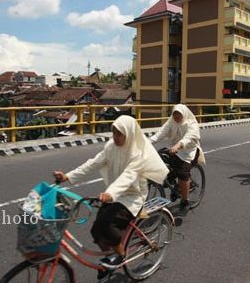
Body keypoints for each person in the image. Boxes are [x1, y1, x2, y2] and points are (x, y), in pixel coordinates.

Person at [53, 115, 168, 279]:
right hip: (114, 195)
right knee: (96, 230)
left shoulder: (138, 153)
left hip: (132, 196)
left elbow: (128, 176)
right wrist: (67, 177)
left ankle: (120, 256)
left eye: (119, 134)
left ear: (128, 134)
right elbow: (93, 163)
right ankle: (109, 259)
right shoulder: (111, 146)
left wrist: (110, 193)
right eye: (113, 133)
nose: (115, 137)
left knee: (106, 224)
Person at [149, 104, 206, 215]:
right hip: (174, 150)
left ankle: (185, 201)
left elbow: (188, 138)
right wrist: (147, 143)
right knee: (161, 156)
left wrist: (178, 146)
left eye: (178, 115)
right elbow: (161, 133)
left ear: (184, 114)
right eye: (174, 114)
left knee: (182, 173)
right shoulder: (171, 121)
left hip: (190, 152)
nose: (176, 117)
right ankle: (172, 179)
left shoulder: (191, 124)